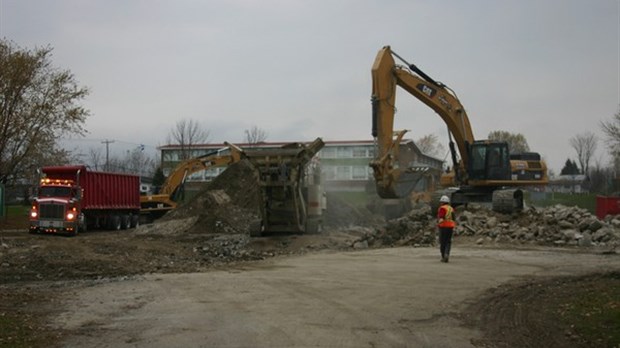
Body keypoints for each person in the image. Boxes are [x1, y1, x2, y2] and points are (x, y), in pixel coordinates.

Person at [437, 195, 456, 263]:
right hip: (450, 227)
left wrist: (439, 222)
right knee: (448, 242)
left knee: (442, 242)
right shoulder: (451, 208)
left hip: (443, 226)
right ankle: (447, 254)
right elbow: (453, 218)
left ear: (442, 202)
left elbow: (441, 217)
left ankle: (443, 256)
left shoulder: (442, 208)